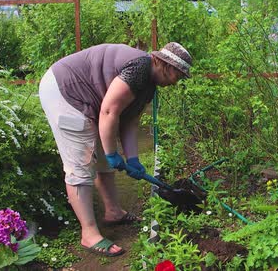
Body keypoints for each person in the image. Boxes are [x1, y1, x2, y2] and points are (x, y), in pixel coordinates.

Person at [39, 42, 192, 257]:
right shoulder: (140, 69)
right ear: (167, 66)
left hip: (90, 98)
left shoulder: (149, 84)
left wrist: (133, 159)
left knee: (102, 147)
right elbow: (110, 111)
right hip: (66, 91)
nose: (177, 82)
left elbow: (129, 121)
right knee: (80, 162)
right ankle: (89, 234)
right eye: (179, 75)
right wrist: (112, 154)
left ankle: (113, 211)